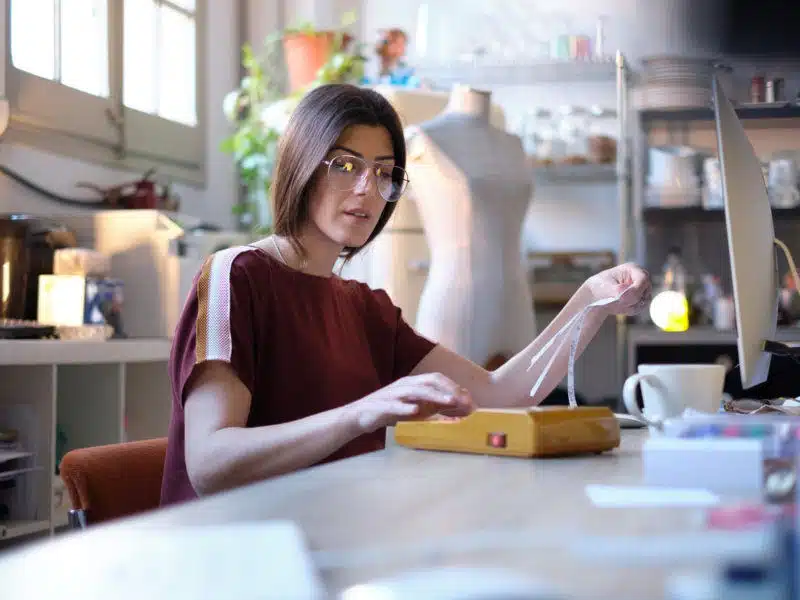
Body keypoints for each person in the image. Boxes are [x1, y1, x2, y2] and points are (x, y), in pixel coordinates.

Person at [160, 84, 651, 506]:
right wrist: (363, 412)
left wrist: (589, 301)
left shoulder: (365, 308)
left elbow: (504, 396)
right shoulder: (236, 276)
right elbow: (209, 463)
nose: (367, 190)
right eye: (346, 166)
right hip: (242, 556)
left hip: (334, 541)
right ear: (302, 165)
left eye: (383, 173)